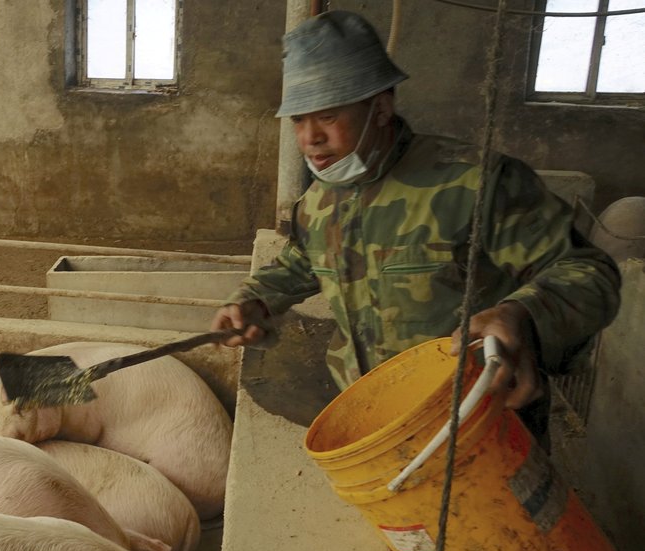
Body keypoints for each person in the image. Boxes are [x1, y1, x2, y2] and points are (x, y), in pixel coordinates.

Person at [211, 10, 621, 447]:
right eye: (298, 120)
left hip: (480, 423)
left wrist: (519, 312)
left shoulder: (472, 183)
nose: (309, 138)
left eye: (327, 116)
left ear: (381, 107)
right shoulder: (319, 202)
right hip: (375, 419)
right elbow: (302, 263)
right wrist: (254, 299)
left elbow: (590, 273)